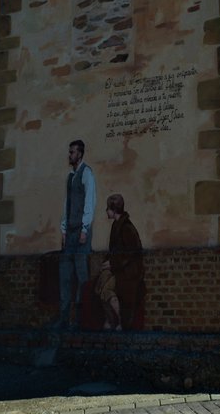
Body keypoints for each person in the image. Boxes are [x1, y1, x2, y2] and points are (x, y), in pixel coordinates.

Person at [56, 139, 96, 329]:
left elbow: (90, 202)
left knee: (82, 277)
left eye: (72, 152)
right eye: (69, 151)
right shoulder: (70, 176)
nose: (69, 155)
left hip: (81, 232)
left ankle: (81, 321)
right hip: (70, 233)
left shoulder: (86, 173)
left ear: (80, 154)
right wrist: (63, 230)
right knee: (65, 277)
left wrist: (85, 229)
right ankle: (63, 319)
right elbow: (67, 204)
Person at [95, 193, 144, 331]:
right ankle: (111, 320)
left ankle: (117, 321)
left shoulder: (127, 228)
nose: (106, 211)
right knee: (99, 286)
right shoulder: (116, 226)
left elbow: (131, 254)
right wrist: (107, 263)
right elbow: (113, 252)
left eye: (108, 208)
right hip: (118, 269)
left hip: (129, 272)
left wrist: (112, 263)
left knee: (105, 288)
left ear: (114, 209)